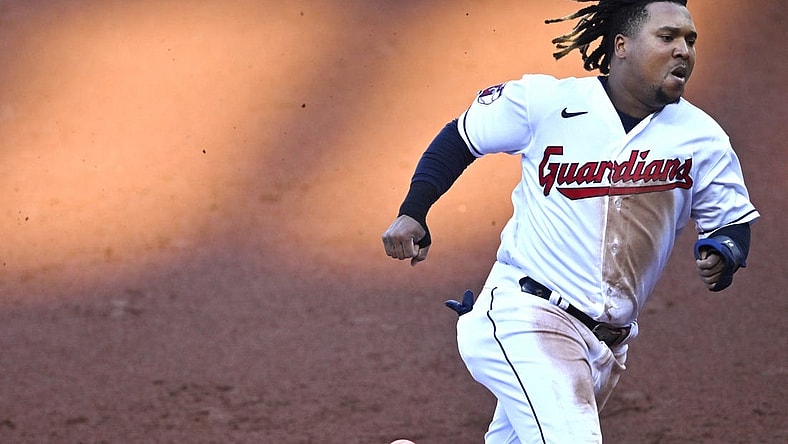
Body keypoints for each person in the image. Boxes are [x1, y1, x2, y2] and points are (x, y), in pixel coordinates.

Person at [381, 0, 760, 442]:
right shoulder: (547, 102)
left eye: (690, 40)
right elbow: (463, 136)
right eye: (667, 37)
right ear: (622, 45)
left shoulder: (702, 138)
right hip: (526, 317)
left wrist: (724, 253)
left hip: (603, 348)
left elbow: (730, 222)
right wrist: (413, 211)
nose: (683, 50)